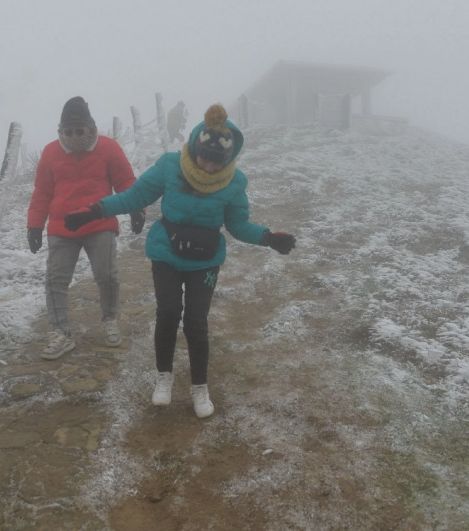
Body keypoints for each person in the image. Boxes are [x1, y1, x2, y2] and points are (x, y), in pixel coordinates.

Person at [65, 103, 296, 418]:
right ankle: (164, 378)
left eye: (217, 162)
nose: (208, 167)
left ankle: (199, 387)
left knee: (197, 323)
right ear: (195, 147)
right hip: (166, 253)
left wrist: (269, 237)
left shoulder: (234, 183)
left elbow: (238, 225)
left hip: (205, 260)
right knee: (169, 312)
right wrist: (95, 210)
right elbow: (135, 196)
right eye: (203, 157)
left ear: (227, 160)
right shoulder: (170, 166)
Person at [27, 96, 146, 360]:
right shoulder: (50, 152)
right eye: (67, 131)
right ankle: (61, 333)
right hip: (61, 227)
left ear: (90, 128)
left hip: (99, 221)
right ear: (60, 131)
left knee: (106, 275)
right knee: (55, 280)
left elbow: (125, 181)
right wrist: (34, 226)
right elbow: (42, 192)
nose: (74, 136)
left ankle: (109, 319)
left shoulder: (108, 148)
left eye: (79, 130)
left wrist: (137, 207)